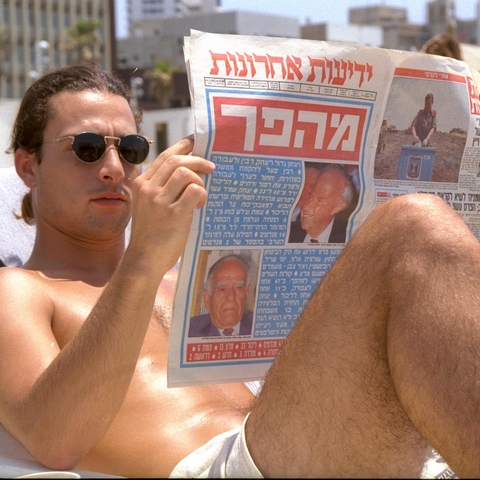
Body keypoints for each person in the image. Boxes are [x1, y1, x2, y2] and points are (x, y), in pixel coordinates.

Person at [2, 63, 480, 478]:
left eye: (129, 149)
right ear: (28, 167)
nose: (112, 168)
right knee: (416, 227)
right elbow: (53, 437)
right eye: (86, 148)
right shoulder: (20, 292)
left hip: (308, 436)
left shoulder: (189, 279)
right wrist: (142, 260)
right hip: (222, 468)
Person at [188, 254, 253, 337]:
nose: (231, 297)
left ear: (247, 294)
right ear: (207, 298)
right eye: (222, 289)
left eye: (238, 287)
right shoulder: (190, 330)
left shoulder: (260, 324)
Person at [288, 165, 354, 244]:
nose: (306, 207)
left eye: (320, 200)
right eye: (310, 197)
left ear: (338, 207)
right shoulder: (289, 233)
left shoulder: (349, 239)